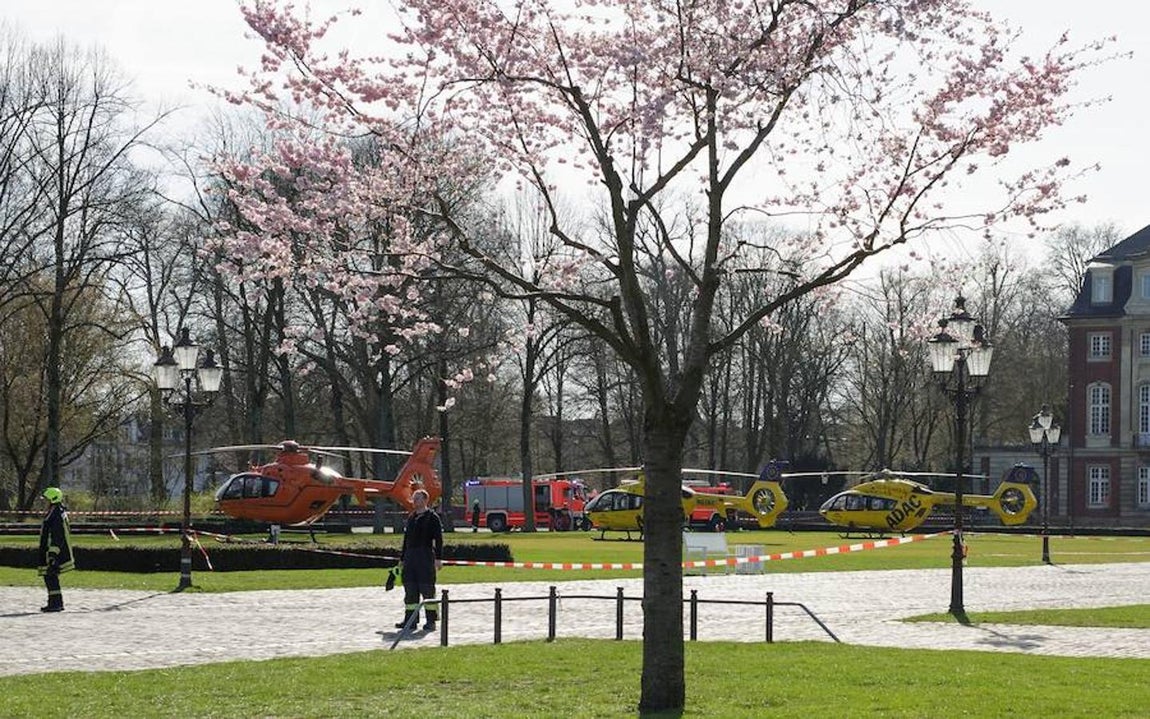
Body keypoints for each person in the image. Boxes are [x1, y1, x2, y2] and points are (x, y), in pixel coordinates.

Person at [395, 488, 443, 631]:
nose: (414, 501)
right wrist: (402, 559)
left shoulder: (432, 517)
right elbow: (406, 540)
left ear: (425, 500)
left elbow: (439, 540)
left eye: (417, 498)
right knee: (410, 589)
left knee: (427, 588)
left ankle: (431, 621)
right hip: (410, 558)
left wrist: (438, 558)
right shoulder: (411, 518)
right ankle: (410, 620)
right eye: (414, 498)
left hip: (425, 557)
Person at [38, 487, 74, 612]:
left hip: (54, 551)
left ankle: (56, 604)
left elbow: (57, 535)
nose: (44, 502)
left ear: (53, 499)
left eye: (46, 499)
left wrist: (53, 553)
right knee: (49, 576)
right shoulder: (55, 511)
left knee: (51, 576)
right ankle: (54, 602)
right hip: (51, 550)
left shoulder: (56, 514)